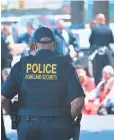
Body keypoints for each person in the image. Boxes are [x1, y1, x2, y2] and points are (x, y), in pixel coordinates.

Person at [1, 27, 85, 140]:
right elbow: (78, 101)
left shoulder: (21, 66)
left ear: (34, 45)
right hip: (58, 127)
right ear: (54, 44)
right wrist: (67, 120)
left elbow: (3, 99)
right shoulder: (65, 66)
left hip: (27, 125)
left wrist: (14, 115)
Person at [89, 13, 114, 85]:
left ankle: (98, 87)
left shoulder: (95, 30)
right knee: (109, 70)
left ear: (97, 20)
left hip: (97, 54)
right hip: (107, 53)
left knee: (97, 73)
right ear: (104, 20)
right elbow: (111, 40)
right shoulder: (109, 29)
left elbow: (91, 41)